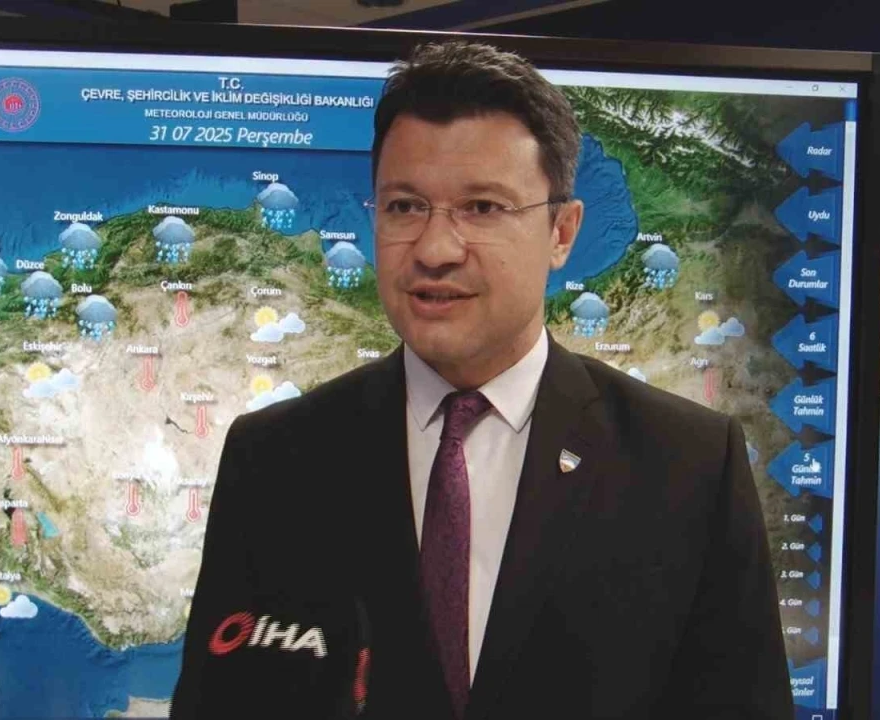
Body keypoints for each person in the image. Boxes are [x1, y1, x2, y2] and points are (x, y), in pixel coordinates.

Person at [170, 40, 792, 720]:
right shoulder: (274, 459)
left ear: (562, 232)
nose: (435, 249)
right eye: (405, 207)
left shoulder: (689, 465)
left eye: (483, 208)